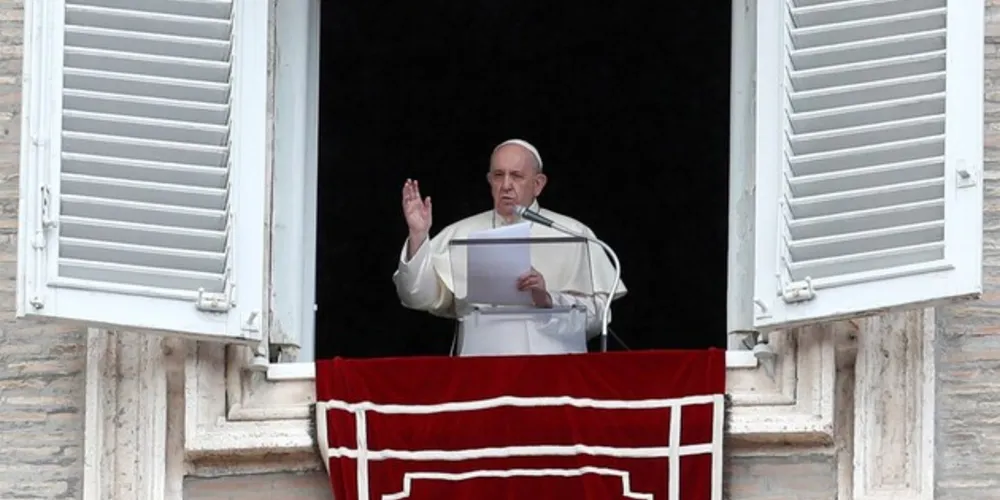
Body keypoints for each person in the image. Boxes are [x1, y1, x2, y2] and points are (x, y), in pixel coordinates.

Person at [392, 139, 626, 356]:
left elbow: (598, 318)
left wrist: (548, 300)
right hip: (480, 367)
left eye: (516, 176)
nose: (506, 185)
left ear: (538, 184)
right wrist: (418, 236)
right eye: (498, 175)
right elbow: (417, 297)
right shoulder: (460, 234)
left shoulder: (574, 234)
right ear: (489, 181)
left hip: (554, 369)